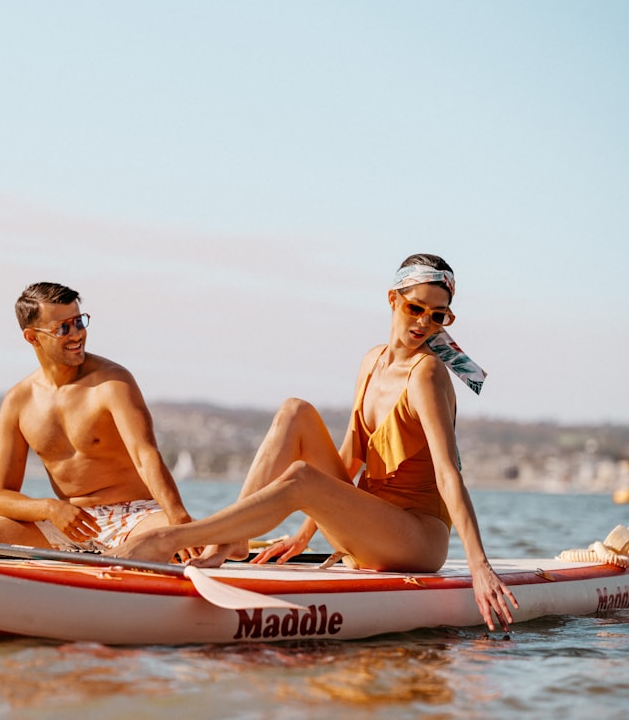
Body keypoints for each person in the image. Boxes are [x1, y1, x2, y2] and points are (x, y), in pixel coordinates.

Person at [110, 254, 519, 631]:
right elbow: (349, 458)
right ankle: (232, 540)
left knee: (302, 478)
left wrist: (478, 565)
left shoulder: (427, 374)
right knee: (295, 411)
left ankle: (173, 539)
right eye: (415, 308)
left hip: (416, 539)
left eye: (438, 316)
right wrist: (307, 533)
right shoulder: (373, 360)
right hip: (367, 524)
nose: (423, 324)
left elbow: (449, 474)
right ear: (393, 299)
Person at [0, 282, 193, 553]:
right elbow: (0, 499)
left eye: (79, 322)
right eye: (62, 328)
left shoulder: (112, 382)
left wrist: (178, 522)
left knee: (209, 546)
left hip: (136, 518)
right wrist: (50, 509)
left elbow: (146, 456)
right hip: (67, 523)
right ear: (32, 336)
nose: (76, 335)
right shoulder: (18, 402)